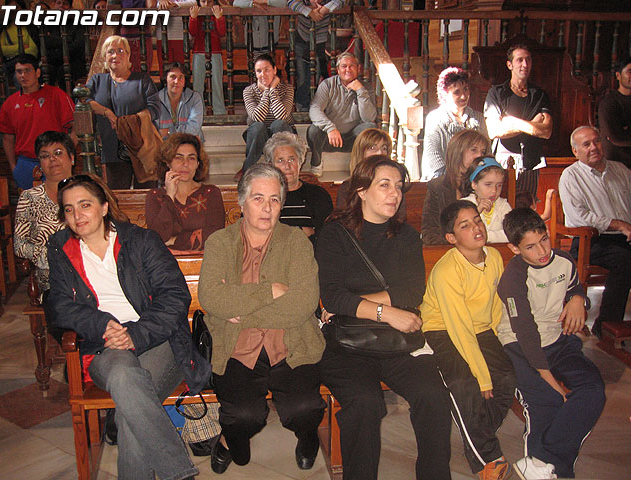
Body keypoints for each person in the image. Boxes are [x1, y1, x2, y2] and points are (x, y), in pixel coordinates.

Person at [47, 173, 209, 480]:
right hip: (103, 345)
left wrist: (135, 334)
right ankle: (178, 472)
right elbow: (59, 305)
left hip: (160, 341)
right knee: (123, 375)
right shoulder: (60, 250)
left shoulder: (141, 241)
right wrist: (104, 325)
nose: (77, 215)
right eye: (69, 209)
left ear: (104, 207)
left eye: (85, 205)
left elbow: (174, 296)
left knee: (128, 409)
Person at [316, 155, 452, 480]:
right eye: (385, 185)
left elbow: (411, 292)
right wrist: (386, 312)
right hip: (347, 343)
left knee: (433, 395)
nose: (395, 194)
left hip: (398, 342)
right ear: (362, 190)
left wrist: (355, 303)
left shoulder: (405, 237)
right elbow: (331, 296)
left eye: (399, 187)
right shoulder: (334, 234)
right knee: (363, 402)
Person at [198, 164, 326, 475]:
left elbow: (303, 303)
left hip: (291, 341)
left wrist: (239, 306)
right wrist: (271, 290)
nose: (267, 208)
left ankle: (307, 434)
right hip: (237, 347)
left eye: (274, 199)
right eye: (258, 198)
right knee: (244, 416)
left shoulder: (296, 241)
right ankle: (231, 440)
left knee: (304, 408)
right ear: (241, 202)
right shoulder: (220, 243)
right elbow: (211, 298)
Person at [498, 207, 605, 479]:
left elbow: (574, 287)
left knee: (593, 389)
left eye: (544, 239)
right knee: (547, 398)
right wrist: (551, 381)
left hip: (558, 340)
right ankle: (554, 467)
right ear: (514, 248)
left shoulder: (565, 260)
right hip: (519, 345)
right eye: (530, 247)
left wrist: (580, 298)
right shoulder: (513, 278)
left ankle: (540, 462)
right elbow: (525, 333)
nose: (542, 251)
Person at [421, 199, 516, 480]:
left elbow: (497, 305)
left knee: (507, 377)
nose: (476, 228)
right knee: (465, 384)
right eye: (465, 225)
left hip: (480, 328)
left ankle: (478, 430)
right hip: (442, 329)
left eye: (477, 220)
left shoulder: (495, 257)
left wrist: (497, 339)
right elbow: (459, 327)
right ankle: (487, 459)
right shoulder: (448, 270)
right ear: (452, 238)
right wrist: (482, 376)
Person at [558, 125, 631, 339]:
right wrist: (618, 224)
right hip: (592, 240)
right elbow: (580, 216)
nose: (593, 147)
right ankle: (607, 324)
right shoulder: (571, 176)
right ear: (575, 151)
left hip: (625, 237)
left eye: (596, 141)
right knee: (626, 261)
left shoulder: (621, 170)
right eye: (586, 144)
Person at [86, 35, 157, 189]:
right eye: (111, 51)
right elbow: (83, 101)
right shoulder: (97, 81)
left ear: (128, 55)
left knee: (148, 197)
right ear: (105, 56)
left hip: (142, 150)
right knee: (117, 198)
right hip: (112, 149)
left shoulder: (142, 80)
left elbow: (155, 109)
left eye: (120, 51)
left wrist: (127, 123)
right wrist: (107, 112)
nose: (115, 55)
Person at [0, 54, 75, 190]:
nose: (23, 76)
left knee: (59, 202)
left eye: (27, 71)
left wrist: (65, 153)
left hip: (54, 159)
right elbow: (7, 138)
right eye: (19, 72)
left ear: (37, 72)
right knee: (29, 206)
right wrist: (14, 166)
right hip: (25, 162)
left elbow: (78, 126)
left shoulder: (57, 95)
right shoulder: (10, 103)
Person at [484, 44, 553, 197]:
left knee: (526, 211)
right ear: (510, 65)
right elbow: (494, 130)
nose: (525, 64)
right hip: (502, 161)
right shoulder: (497, 93)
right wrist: (533, 124)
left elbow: (546, 131)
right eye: (520, 60)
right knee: (500, 207)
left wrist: (512, 122)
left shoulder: (540, 95)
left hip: (532, 160)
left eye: (528, 60)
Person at [14, 131, 74, 296]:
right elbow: (19, 245)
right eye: (45, 156)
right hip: (51, 278)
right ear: (39, 164)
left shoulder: (88, 192)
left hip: (90, 271)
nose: (52, 159)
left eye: (58, 153)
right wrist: (50, 256)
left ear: (72, 158)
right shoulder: (29, 198)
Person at [145, 133, 224, 252]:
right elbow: (157, 238)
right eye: (178, 157)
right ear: (168, 162)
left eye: (191, 158)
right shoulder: (155, 196)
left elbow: (215, 237)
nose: (185, 164)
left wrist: (174, 241)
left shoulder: (211, 193)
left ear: (198, 164)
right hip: (164, 265)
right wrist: (170, 196)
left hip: (203, 264)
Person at [307, 51, 377, 176]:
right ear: (338, 70)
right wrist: (330, 128)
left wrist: (361, 91)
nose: (348, 69)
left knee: (370, 129)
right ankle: (316, 162)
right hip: (329, 139)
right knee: (313, 130)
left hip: (351, 139)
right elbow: (314, 108)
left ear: (358, 68)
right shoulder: (328, 85)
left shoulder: (366, 88)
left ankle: (358, 165)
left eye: (352, 66)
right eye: (344, 66)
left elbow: (369, 118)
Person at [422, 129, 491, 244]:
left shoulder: (485, 185)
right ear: (458, 151)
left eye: (483, 152)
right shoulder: (437, 186)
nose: (480, 156)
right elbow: (430, 232)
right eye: (474, 150)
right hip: (446, 250)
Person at [264, 132, 333, 246]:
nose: (287, 166)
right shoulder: (262, 197)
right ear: (271, 165)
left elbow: (328, 238)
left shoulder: (318, 195)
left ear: (300, 161)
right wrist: (302, 231)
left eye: (292, 159)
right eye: (280, 161)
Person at [422, 67, 487, 181]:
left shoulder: (478, 118)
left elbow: (486, 152)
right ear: (444, 94)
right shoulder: (435, 118)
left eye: (466, 89)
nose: (463, 96)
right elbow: (433, 156)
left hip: (473, 180)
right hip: (442, 180)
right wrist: (453, 179)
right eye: (457, 92)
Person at [238, 54, 295, 181]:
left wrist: (272, 90)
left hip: (282, 131)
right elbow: (257, 117)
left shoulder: (287, 89)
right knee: (258, 126)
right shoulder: (248, 91)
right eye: (259, 71)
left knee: (278, 124)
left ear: (274, 70)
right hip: (259, 136)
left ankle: (282, 170)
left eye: (267, 70)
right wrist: (266, 93)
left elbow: (282, 116)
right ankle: (247, 169)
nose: (262, 74)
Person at [287, 0, 344, 112]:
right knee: (301, 75)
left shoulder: (328, 2)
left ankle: (306, 104)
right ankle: (301, 104)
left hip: (319, 42)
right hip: (301, 39)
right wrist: (309, 12)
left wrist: (323, 10)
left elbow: (341, 1)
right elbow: (290, 1)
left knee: (315, 74)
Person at [148, 62, 205, 143]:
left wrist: (169, 132)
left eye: (181, 77)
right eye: (173, 77)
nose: (176, 81)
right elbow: (155, 131)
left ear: (185, 81)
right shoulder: (156, 100)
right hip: (164, 145)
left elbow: (194, 129)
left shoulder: (194, 98)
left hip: (190, 144)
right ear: (165, 79)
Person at [335, 127, 391, 208]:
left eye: (384, 148)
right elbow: (343, 219)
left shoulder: (393, 186)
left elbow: (399, 219)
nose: (380, 153)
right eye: (372, 148)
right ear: (361, 152)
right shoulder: (347, 188)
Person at [461, 157, 512, 243]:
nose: (494, 191)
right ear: (474, 184)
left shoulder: (503, 205)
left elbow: (512, 234)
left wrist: (485, 236)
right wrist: (477, 212)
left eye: (499, 185)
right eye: (488, 184)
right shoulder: (464, 205)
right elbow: (463, 235)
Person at [189, 2, 227, 116]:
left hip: (215, 51)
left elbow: (222, 32)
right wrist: (193, 18)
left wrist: (219, 18)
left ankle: (219, 110)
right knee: (198, 84)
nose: (205, 3)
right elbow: (193, 32)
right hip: (198, 51)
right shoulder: (196, 10)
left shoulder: (217, 10)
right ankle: (198, 110)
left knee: (217, 83)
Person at [598, 57, 631, 170]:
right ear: (618, 75)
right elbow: (614, 137)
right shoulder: (609, 102)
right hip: (618, 162)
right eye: (629, 72)